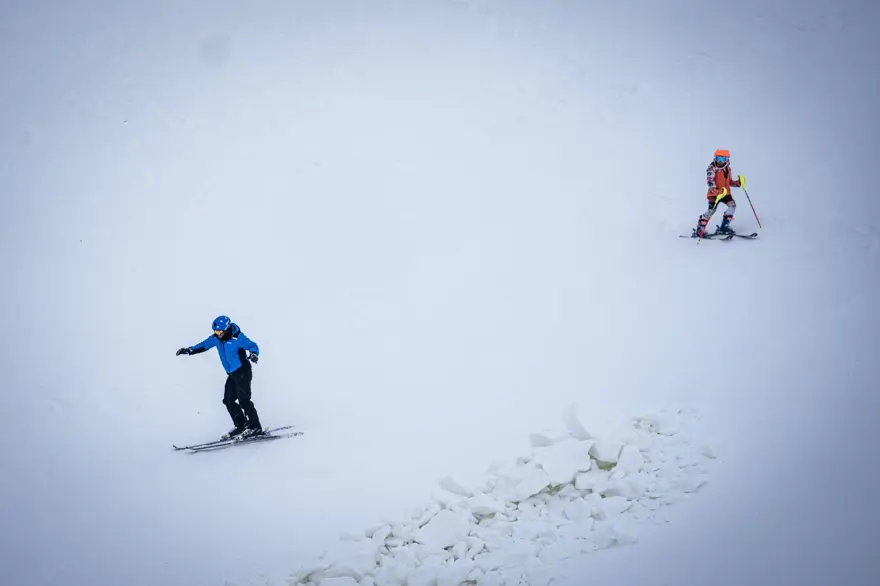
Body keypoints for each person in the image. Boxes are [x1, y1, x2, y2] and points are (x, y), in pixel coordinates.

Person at [176, 315, 263, 439]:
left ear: (226, 329)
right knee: (228, 400)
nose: (217, 334)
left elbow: (252, 345)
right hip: (232, 374)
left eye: (219, 332)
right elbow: (204, 345)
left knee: (244, 401)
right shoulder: (216, 339)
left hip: (243, 372)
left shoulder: (237, 337)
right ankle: (241, 425)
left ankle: (255, 427)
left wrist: (254, 354)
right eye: (215, 332)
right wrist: (189, 350)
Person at [693, 149, 742, 237]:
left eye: (723, 159)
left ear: (727, 159)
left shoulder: (728, 169)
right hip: (714, 194)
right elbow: (710, 181)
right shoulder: (712, 168)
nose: (720, 161)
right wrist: (714, 190)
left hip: (725, 193)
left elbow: (729, 182)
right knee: (711, 211)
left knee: (732, 206)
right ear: (715, 158)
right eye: (718, 158)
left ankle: (724, 227)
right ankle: (700, 229)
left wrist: (737, 183)